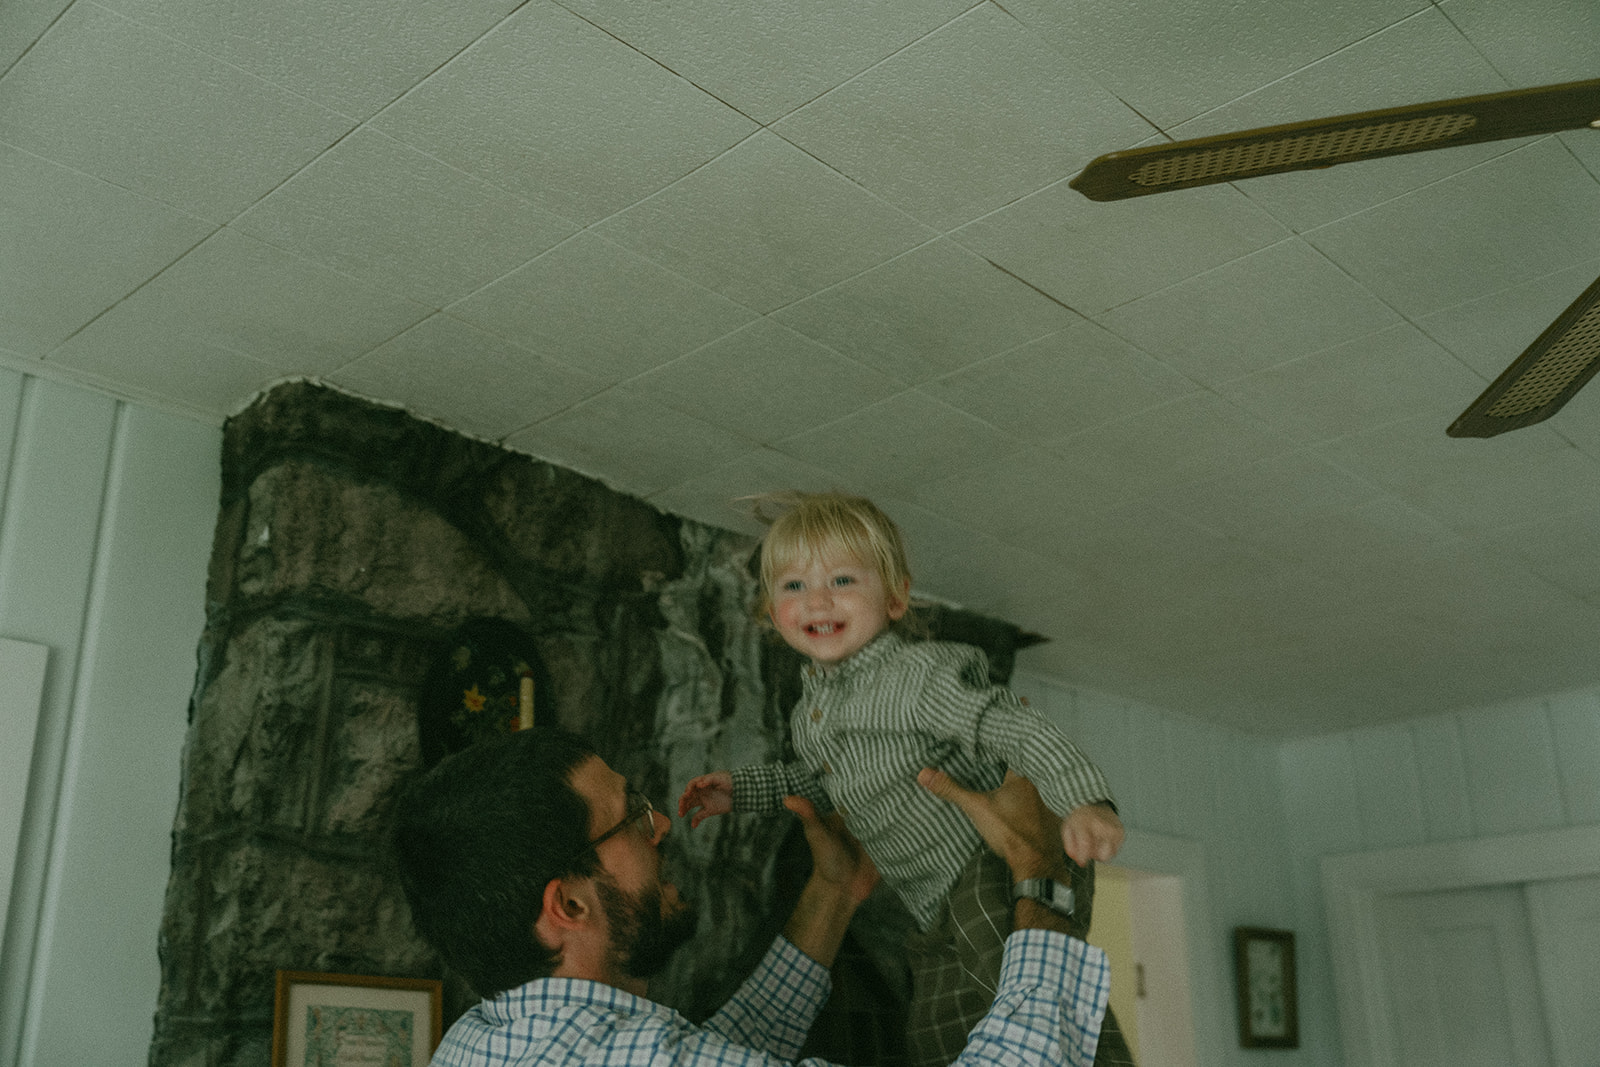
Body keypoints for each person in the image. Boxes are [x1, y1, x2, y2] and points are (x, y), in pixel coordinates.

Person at [678, 491, 1134, 1067]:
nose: (817, 598)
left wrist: (1085, 800)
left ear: (895, 598)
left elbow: (1013, 728)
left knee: (1030, 1010)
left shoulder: (917, 676)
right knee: (935, 1033)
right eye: (793, 586)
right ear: (771, 610)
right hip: (931, 901)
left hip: (990, 864)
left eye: (842, 580)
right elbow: (822, 781)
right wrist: (743, 790)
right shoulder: (812, 711)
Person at [392, 728, 1111, 1067]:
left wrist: (834, 892)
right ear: (569, 907)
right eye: (630, 817)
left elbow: (712, 1051)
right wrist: (1039, 869)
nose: (661, 823)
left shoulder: (484, 1040)